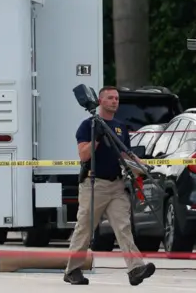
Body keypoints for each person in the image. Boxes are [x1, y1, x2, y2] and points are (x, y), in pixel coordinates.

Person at [63, 85, 156, 286]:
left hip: (116, 185)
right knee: (85, 228)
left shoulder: (121, 127)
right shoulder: (88, 126)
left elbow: (125, 154)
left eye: (117, 98)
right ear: (100, 101)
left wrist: (143, 166)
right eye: (111, 98)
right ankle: (73, 270)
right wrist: (96, 139)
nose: (115, 101)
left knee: (123, 227)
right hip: (93, 184)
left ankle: (135, 268)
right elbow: (84, 155)